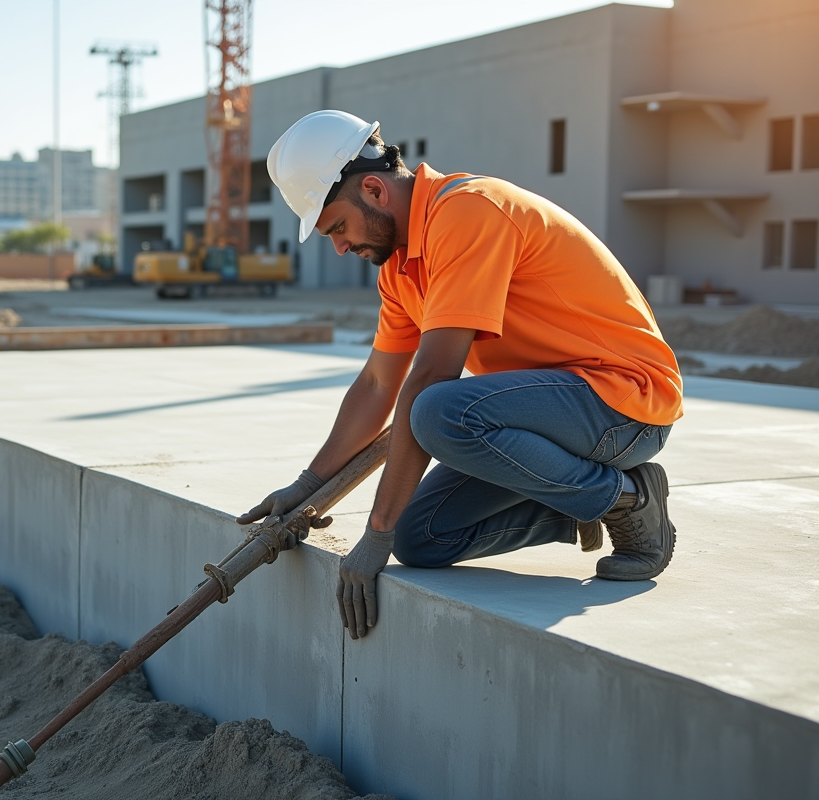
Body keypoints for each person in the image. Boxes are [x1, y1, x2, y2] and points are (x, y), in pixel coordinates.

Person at [238, 110, 682, 641]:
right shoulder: (401, 270)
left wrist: (372, 533)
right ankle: (581, 498)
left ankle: (628, 500)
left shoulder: (468, 211)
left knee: (439, 411)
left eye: (337, 226)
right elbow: (378, 384)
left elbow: (428, 381)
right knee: (421, 537)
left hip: (624, 404)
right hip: (546, 419)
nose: (338, 246)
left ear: (375, 190)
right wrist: (307, 486)